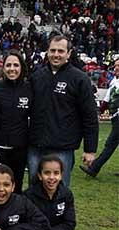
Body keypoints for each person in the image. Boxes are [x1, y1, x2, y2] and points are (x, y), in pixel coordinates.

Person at [28, 35, 99, 186]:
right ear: (47, 52)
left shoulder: (79, 79)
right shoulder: (37, 76)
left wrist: (90, 150)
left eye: (61, 51)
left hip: (62, 148)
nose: (56, 54)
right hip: (36, 145)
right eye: (52, 50)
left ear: (68, 53)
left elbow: (90, 116)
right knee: (34, 192)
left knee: (59, 193)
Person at [0, 50, 32, 193]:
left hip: (19, 149)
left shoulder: (29, 88)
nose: (12, 69)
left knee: (16, 184)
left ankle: (15, 214)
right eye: (8, 65)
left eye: (16, 65)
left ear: (22, 67)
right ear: (3, 68)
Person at [79, 57, 119, 177]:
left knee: (110, 144)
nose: (116, 68)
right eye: (116, 65)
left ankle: (94, 168)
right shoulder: (114, 81)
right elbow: (107, 98)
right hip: (115, 116)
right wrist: (101, 110)